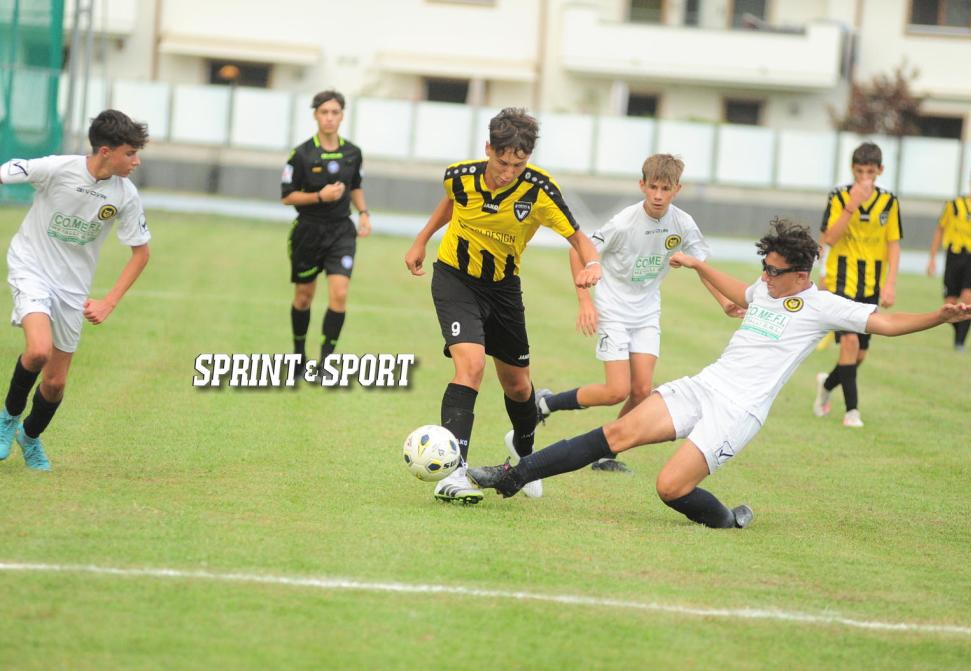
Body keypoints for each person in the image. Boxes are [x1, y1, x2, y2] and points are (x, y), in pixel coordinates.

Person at [468, 219, 971, 528]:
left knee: (670, 487)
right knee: (617, 434)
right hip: (704, 386)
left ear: (800, 275)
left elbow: (885, 323)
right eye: (764, 268)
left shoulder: (823, 306)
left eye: (773, 270)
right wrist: (697, 266)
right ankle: (513, 477)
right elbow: (740, 292)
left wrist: (939, 316)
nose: (764, 276)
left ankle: (729, 520)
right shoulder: (766, 290)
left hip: (738, 411)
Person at [403, 107, 601, 505]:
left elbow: (579, 238)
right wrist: (422, 239)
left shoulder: (540, 190)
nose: (509, 172)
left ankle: (525, 456)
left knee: (518, 385)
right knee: (471, 366)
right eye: (502, 162)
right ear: (488, 149)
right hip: (456, 279)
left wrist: (592, 264)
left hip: (504, 290)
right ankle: (455, 472)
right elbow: (451, 202)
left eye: (518, 164)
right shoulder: (460, 176)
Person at [536, 153, 742, 473]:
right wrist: (585, 302)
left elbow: (700, 265)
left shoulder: (683, 223)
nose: (658, 195)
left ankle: (606, 455)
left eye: (666, 189)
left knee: (642, 391)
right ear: (642, 185)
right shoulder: (624, 222)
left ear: (677, 189)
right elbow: (578, 251)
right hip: (613, 308)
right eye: (654, 187)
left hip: (646, 312)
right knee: (616, 391)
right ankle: (547, 402)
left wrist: (723, 301)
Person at [0, 110, 152, 471]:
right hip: (31, 267)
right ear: (106, 151)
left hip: (72, 288)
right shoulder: (57, 168)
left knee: (55, 384)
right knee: (38, 351)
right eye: (130, 153)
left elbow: (141, 254)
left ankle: (30, 437)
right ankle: (8, 420)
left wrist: (109, 302)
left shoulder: (125, 195)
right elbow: (9, 171)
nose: (136, 161)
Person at [281, 90, 371, 373]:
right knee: (303, 296)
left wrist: (363, 213)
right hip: (308, 232)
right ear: (315, 116)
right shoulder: (301, 154)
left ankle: (326, 362)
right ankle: (298, 357)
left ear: (342, 116)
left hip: (341, 232)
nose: (329, 118)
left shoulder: (353, 153)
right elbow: (287, 196)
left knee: (340, 294)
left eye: (335, 112)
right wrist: (320, 196)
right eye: (324, 112)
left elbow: (356, 186)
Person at [813, 143, 902, 428]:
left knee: (858, 354)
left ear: (880, 171)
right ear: (852, 170)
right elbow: (829, 238)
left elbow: (893, 244)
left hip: (870, 285)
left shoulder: (889, 202)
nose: (865, 178)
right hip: (840, 281)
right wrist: (852, 205)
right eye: (860, 172)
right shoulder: (839, 196)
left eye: (870, 172)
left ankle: (827, 384)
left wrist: (890, 283)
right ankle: (852, 412)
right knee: (849, 342)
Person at [926, 168, 971, 351]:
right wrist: (932, 258)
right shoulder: (954, 205)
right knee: (949, 305)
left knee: (967, 300)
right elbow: (940, 230)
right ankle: (959, 334)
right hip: (954, 256)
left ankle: (960, 344)